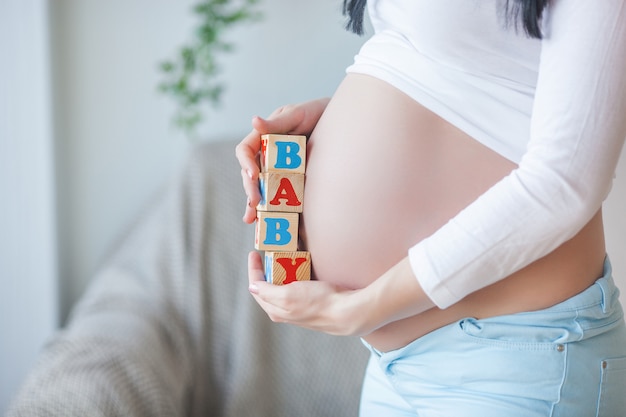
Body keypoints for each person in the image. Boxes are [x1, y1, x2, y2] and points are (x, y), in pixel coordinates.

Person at [236, 1, 626, 416]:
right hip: (395, 367)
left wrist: (366, 308)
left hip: (512, 362)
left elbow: (566, 182)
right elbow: (448, 62)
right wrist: (335, 120)